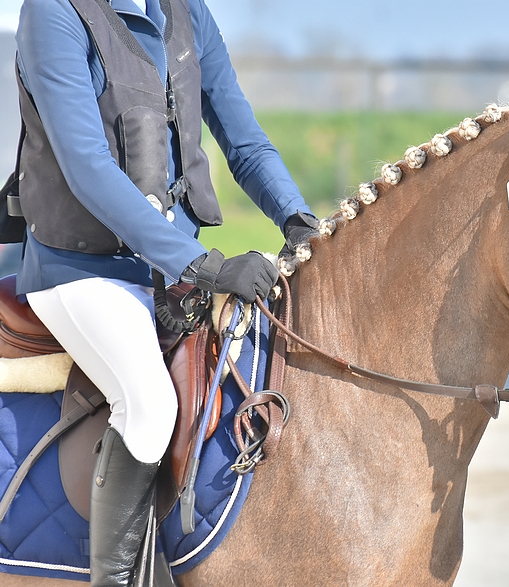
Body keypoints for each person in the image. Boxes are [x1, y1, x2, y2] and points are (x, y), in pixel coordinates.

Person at [13, 0, 316, 584]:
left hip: (169, 271)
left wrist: (297, 219)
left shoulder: (186, 12)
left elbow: (243, 139)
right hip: (80, 267)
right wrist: (201, 264)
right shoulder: (52, 13)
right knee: (150, 406)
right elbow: (88, 168)